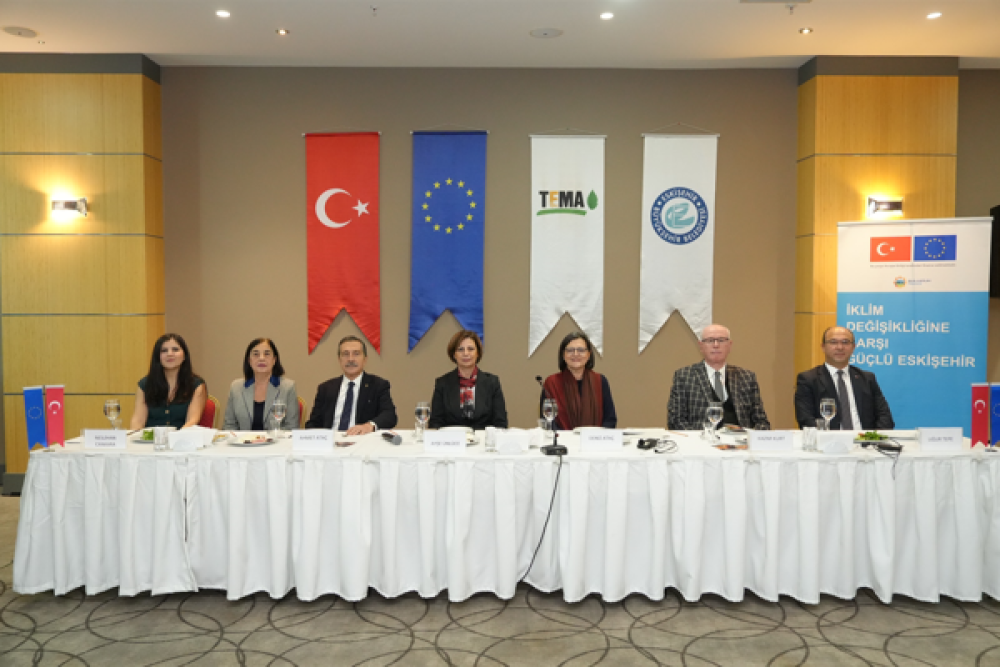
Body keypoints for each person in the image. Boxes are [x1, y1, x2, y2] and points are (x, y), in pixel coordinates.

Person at [667, 324, 771, 431]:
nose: (716, 345)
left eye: (721, 340)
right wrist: (699, 439)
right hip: (701, 439)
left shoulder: (747, 378)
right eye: (710, 340)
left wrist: (750, 437)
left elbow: (762, 421)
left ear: (729, 345)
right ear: (701, 346)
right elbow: (676, 421)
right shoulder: (684, 377)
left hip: (740, 440)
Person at [795, 326, 894, 430]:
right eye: (833, 342)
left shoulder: (867, 379)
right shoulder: (809, 380)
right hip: (828, 439)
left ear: (853, 347)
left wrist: (873, 438)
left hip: (865, 439)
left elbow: (885, 417)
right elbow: (806, 420)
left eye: (845, 342)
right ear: (823, 347)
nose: (840, 347)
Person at [305, 335, 397, 433]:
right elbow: (313, 423)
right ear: (339, 360)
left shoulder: (378, 385)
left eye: (356, 354)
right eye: (345, 354)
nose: (350, 359)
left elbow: (389, 415)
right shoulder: (325, 388)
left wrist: (369, 426)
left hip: (361, 439)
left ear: (365, 359)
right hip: (332, 439)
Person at [429, 330, 508, 429]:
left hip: (484, 438)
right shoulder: (442, 383)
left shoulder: (492, 382)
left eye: (470, 349)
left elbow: (500, 422)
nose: (466, 353)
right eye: (460, 349)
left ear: (478, 353)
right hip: (453, 438)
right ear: (454, 354)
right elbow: (435, 422)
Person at [541, 331, 617, 429]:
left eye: (581, 350)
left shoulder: (600, 381)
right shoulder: (551, 383)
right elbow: (547, 420)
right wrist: (566, 437)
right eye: (570, 350)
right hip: (562, 438)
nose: (575, 354)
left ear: (589, 354)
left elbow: (610, 419)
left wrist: (596, 436)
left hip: (596, 438)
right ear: (563, 355)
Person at [130, 333, 207, 429]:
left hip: (182, 437)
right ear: (158, 357)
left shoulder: (196, 385)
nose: (170, 354)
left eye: (175, 349)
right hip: (151, 438)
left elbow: (192, 421)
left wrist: (175, 437)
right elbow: (138, 420)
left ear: (184, 356)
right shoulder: (145, 385)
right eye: (164, 350)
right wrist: (135, 436)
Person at [223, 337, 300, 431]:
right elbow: (229, 426)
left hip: (275, 440)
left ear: (274, 360)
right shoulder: (236, 387)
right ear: (249, 360)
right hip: (243, 440)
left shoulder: (288, 388)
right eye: (256, 354)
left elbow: (292, 427)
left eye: (267, 354)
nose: (261, 358)